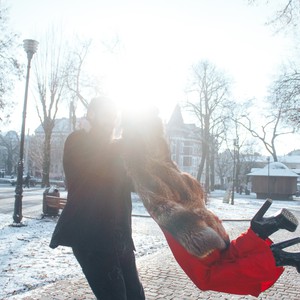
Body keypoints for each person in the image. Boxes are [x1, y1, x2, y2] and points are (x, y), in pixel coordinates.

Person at [120, 107, 300, 297]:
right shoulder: (160, 149)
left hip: (174, 215)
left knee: (206, 276)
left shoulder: (128, 152)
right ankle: (260, 231)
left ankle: (274, 255)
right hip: (188, 200)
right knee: (224, 255)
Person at [49, 97, 145, 300]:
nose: (112, 120)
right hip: (91, 238)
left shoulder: (115, 150)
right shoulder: (78, 141)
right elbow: (100, 165)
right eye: (107, 114)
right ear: (91, 114)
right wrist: (124, 144)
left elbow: (134, 182)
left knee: (136, 296)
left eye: (114, 115)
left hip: (120, 237)